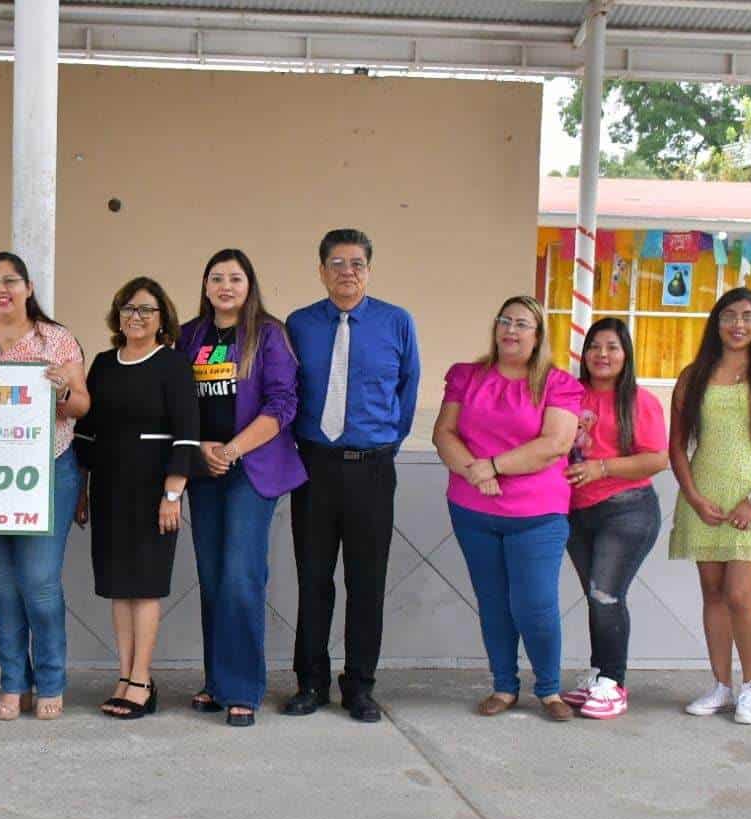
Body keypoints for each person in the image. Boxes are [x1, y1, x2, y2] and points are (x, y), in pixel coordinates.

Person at [282, 228, 420, 723]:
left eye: (357, 263)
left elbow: (407, 395)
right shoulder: (298, 325)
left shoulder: (396, 322)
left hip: (372, 470)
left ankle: (359, 685)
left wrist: (381, 446)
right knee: (313, 579)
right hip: (313, 467)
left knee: (368, 583)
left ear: (369, 270)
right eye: (337, 263)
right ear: (320, 270)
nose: (347, 272)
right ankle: (310, 682)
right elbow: (286, 392)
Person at [0, 252, 89, 722]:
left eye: (10, 280)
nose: (1, 289)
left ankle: (50, 680)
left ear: (28, 288)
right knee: (3, 587)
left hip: (48, 470)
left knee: (40, 583)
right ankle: (13, 680)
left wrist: (59, 393)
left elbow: (83, 405)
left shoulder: (58, 339)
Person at [433, 296, 583, 722]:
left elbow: (555, 444)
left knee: (534, 603)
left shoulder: (558, 384)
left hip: (537, 514)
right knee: (493, 601)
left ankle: (550, 689)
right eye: (504, 321)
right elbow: (443, 432)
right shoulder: (467, 376)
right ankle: (504, 685)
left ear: (538, 337)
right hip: (472, 509)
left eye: (521, 324)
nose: (510, 331)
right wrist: (476, 474)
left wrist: (494, 466)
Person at [175, 249, 307, 727]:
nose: (225, 286)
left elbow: (282, 404)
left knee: (240, 576)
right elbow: (177, 402)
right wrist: (202, 448)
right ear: (205, 285)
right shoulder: (189, 336)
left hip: (251, 470)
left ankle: (244, 688)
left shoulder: (269, 334)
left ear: (249, 284)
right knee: (212, 576)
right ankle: (217, 682)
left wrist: (231, 450)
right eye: (216, 278)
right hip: (203, 470)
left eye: (235, 278)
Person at [669, 287, 751, 726]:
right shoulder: (694, 374)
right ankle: (721, 686)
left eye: (747, 316)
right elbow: (677, 446)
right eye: (728, 316)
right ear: (715, 322)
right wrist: (693, 497)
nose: (737, 324)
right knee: (713, 593)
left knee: (740, 594)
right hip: (705, 496)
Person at [74, 277, 198, 719]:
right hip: (108, 489)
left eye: (146, 309)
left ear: (162, 318)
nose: (136, 316)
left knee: (144, 588)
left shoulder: (173, 365)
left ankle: (142, 679)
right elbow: (87, 433)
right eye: (128, 308)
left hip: (153, 493)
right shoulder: (105, 364)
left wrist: (172, 494)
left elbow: (186, 435)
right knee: (118, 590)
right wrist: (81, 489)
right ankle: (123, 675)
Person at [560, 318, 670, 719]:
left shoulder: (640, 401)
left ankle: (614, 682)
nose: (602, 355)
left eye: (612, 347)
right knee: (595, 595)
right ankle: (600, 675)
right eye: (594, 347)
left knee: (607, 594)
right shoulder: (569, 395)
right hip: (576, 511)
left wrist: (602, 469)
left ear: (626, 355)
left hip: (626, 508)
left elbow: (658, 458)